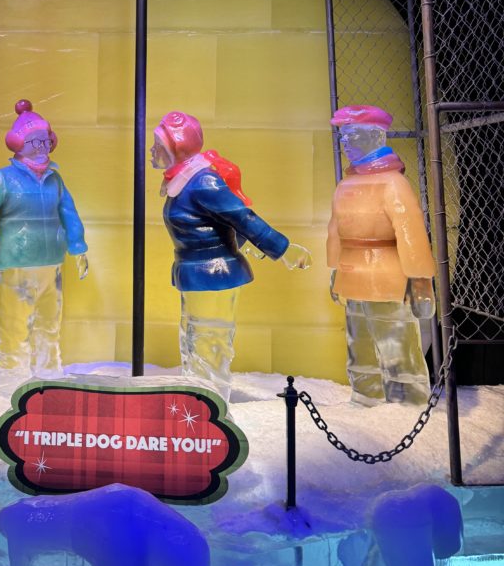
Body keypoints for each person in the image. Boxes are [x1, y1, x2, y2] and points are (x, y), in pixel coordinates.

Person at [151, 111, 311, 400]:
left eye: (157, 146)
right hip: (194, 272)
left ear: (176, 148)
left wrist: (282, 248)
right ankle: (199, 400)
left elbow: (241, 216)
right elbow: (224, 220)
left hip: (213, 273)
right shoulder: (183, 182)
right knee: (194, 338)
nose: (152, 152)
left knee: (209, 340)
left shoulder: (201, 181)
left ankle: (211, 403)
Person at [0, 100, 88, 395]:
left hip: (50, 262)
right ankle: (12, 378)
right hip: (16, 261)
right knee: (14, 323)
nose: (41, 146)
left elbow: (69, 212)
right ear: (18, 144)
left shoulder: (54, 179)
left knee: (49, 320)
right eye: (34, 141)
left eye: (45, 140)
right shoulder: (4, 178)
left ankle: (47, 371)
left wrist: (78, 247)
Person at [327, 104, 436, 405]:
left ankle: (408, 403)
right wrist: (335, 268)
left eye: (353, 135)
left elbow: (410, 232)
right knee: (359, 343)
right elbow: (336, 228)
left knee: (396, 343)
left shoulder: (393, 184)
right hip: (352, 275)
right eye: (343, 136)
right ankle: (365, 397)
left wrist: (421, 279)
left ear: (376, 137)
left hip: (387, 276)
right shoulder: (347, 183)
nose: (346, 142)